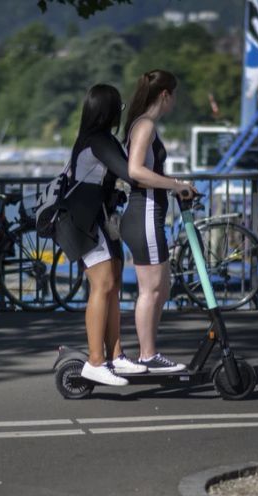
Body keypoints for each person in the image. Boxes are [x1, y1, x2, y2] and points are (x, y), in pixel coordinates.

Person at [55, 83, 148, 386]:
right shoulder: (97, 141)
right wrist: (168, 182)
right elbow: (128, 172)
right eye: (119, 107)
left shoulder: (99, 139)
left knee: (114, 284)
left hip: (101, 220)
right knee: (103, 284)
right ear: (108, 110)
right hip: (84, 223)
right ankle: (96, 360)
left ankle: (116, 355)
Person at [121, 70, 196, 372]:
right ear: (165, 94)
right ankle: (148, 355)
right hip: (145, 215)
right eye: (174, 95)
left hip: (150, 215)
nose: (175, 101)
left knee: (161, 289)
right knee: (151, 291)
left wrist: (176, 182)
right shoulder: (146, 126)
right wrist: (175, 185)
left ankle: (149, 353)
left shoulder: (143, 124)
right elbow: (136, 171)